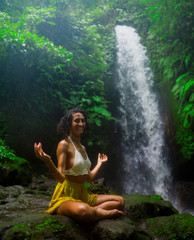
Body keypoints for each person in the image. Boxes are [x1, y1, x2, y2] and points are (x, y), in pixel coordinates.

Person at [34, 108, 124, 222]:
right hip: (65, 195)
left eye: (83, 120)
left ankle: (93, 211)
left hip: (82, 194)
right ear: (69, 124)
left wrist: (99, 163)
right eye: (76, 121)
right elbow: (61, 178)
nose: (81, 123)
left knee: (120, 201)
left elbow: (89, 178)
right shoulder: (64, 144)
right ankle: (99, 212)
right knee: (82, 210)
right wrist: (48, 161)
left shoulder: (83, 147)